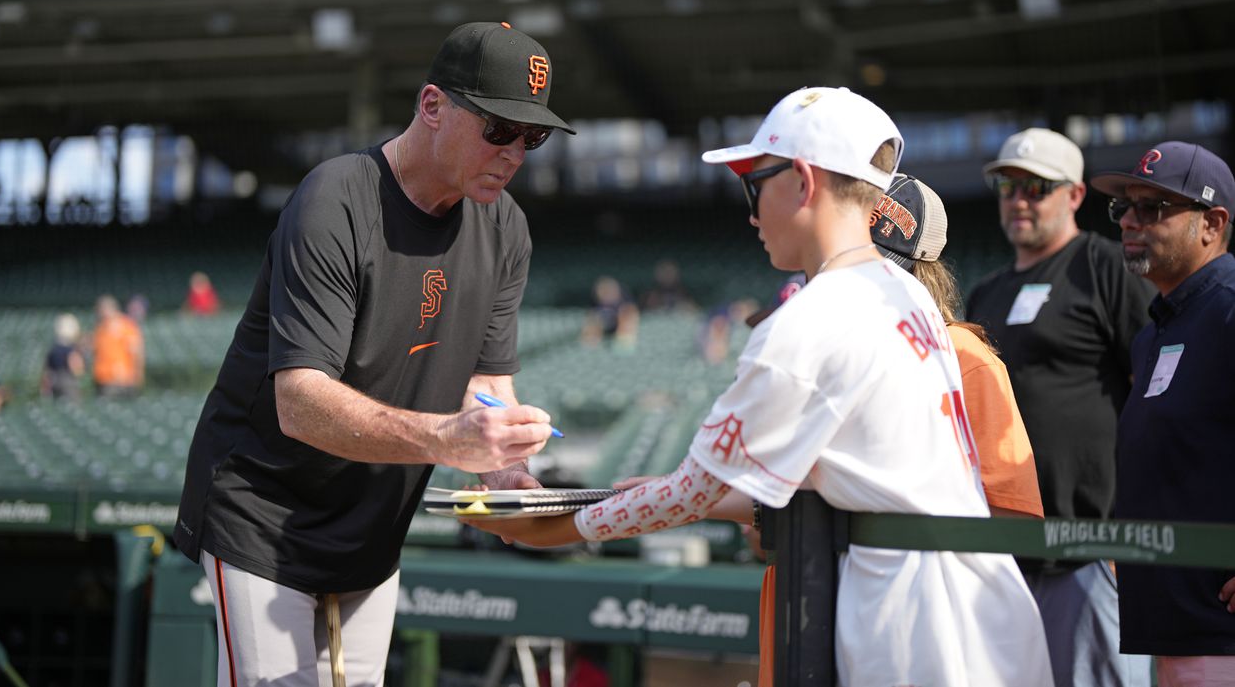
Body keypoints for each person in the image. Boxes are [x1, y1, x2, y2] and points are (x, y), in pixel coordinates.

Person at [464, 87, 1052, 687]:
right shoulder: (907, 296)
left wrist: (544, 528)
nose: (749, 213)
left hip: (909, 630)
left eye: (755, 185)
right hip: (988, 612)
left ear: (801, 180)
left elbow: (690, 490)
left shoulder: (811, 317)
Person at [174, 21, 571, 687]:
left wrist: (507, 473)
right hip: (265, 509)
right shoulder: (336, 197)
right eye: (500, 127)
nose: (515, 152)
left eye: (533, 137)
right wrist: (450, 440)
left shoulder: (507, 227)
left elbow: (487, 382)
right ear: (433, 106)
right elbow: (300, 403)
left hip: (372, 528)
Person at [746, 172, 1046, 685]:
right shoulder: (817, 350)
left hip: (909, 628)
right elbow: (765, 534)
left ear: (920, 273)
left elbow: (1014, 520)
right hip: (805, 609)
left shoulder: (963, 358)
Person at [965, 127, 1155, 687]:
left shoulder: (1105, 267)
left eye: (1036, 187)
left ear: (1074, 195)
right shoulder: (985, 293)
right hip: (1005, 554)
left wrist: (1132, 525)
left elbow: (1153, 392)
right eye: (1007, 185)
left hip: (1091, 547)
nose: (1018, 199)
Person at [1089, 141, 1235, 684]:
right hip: (1173, 628)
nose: (1128, 219)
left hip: (1221, 633)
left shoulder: (1228, 308)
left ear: (1211, 222)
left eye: (1152, 208)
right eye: (1124, 207)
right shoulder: (1154, 333)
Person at [92, 294, 145, 398]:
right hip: (102, 378)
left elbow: (136, 352)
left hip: (122, 380)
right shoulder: (100, 328)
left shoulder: (126, 326)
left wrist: (137, 375)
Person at [579, 275, 639, 349]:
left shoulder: (626, 307)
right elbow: (591, 323)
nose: (606, 294)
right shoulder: (595, 307)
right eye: (603, 291)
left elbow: (630, 321)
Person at [41, 313, 86, 401]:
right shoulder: (71, 349)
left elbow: (46, 371)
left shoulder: (53, 349)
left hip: (54, 381)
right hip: (67, 382)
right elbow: (76, 368)